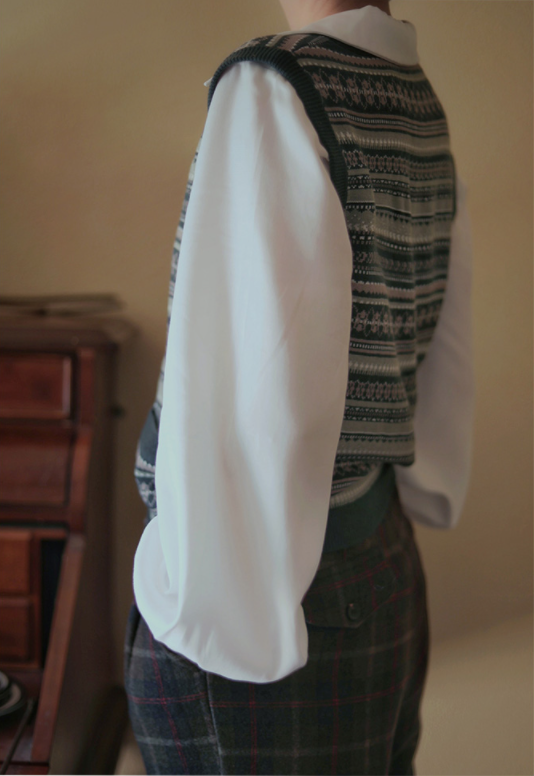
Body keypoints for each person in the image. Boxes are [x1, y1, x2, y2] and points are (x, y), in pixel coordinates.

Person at [124, 1, 475, 773]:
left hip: (268, 601)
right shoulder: (414, 94)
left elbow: (243, 396)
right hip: (384, 561)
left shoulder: (274, 85)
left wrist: (191, 598)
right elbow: (446, 348)